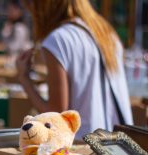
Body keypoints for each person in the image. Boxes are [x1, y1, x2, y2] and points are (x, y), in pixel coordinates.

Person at [17, 0, 133, 139]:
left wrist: (24, 79)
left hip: (85, 146)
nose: (28, 8)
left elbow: (55, 116)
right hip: (119, 146)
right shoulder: (106, 32)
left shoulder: (58, 39)